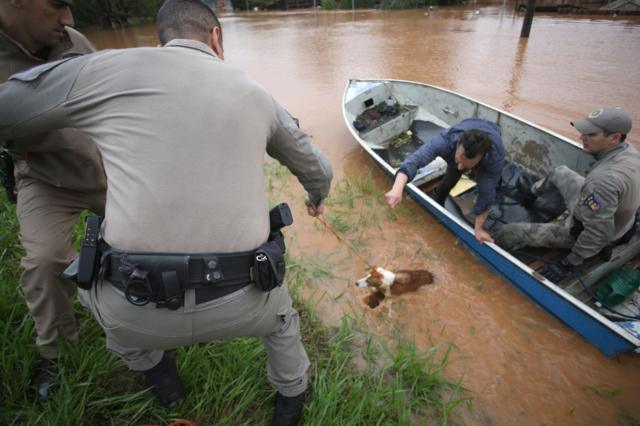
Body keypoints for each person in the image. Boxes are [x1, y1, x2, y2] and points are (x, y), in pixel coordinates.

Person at [0, 0, 332, 423]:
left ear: (161, 39)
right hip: (244, 302)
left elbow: (9, 107)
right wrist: (316, 196)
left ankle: (163, 379)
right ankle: (290, 400)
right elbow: (318, 167)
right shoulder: (254, 92)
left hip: (132, 307)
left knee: (97, 302)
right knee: (283, 321)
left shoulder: (103, 67)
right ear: (216, 38)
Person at [0, 0, 106, 398]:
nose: (69, 18)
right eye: (56, 6)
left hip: (106, 170)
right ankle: (59, 356)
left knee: (151, 239)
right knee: (44, 260)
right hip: (45, 179)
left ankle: (158, 327)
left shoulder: (74, 42)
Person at [495, 107, 640, 282]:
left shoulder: (603, 181)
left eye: (591, 134)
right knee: (560, 172)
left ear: (614, 138)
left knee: (507, 233)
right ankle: (531, 193)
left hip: (581, 230)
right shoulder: (630, 152)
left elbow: (597, 233)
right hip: (612, 216)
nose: (581, 137)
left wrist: (568, 263)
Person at [385, 118, 504, 244]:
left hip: (492, 137)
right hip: (468, 125)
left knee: (490, 186)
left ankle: (472, 168)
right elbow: (414, 161)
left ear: (482, 157)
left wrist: (478, 228)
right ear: (458, 145)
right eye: (459, 161)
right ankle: (438, 204)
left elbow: (486, 194)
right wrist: (397, 189)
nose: (460, 168)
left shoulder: (494, 156)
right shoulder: (444, 141)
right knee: (450, 179)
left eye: (467, 165)